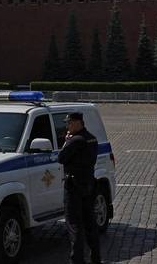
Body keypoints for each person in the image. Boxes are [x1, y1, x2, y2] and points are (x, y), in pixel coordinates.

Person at [57, 112, 102, 264]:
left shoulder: (75, 140)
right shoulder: (92, 138)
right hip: (88, 185)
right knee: (90, 224)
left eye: (69, 123)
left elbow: (61, 158)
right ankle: (95, 258)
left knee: (74, 225)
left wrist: (66, 141)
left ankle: (76, 260)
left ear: (77, 123)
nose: (67, 126)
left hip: (74, 188)